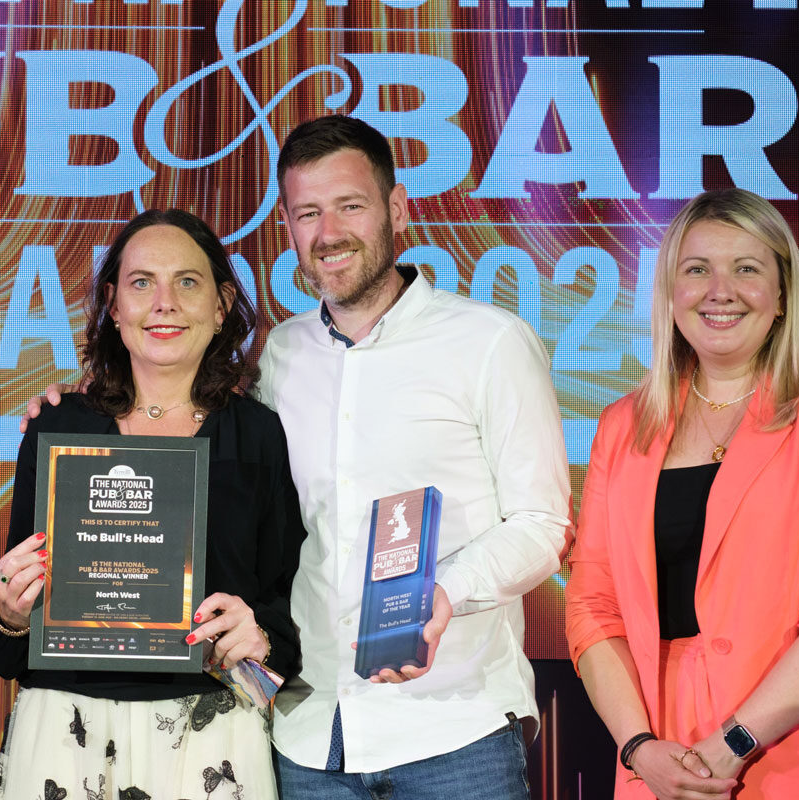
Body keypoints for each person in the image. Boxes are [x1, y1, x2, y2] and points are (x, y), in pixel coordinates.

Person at [565, 188, 799, 799]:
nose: (720, 290)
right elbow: (593, 605)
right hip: (664, 761)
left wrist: (733, 740)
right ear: (670, 292)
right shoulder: (624, 425)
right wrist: (638, 749)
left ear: (783, 295)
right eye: (696, 269)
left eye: (747, 269)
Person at [259, 114, 571, 799]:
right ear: (288, 225)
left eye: (350, 206)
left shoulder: (490, 342)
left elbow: (542, 525)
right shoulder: (280, 354)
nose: (328, 233)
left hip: (455, 731)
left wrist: (443, 591)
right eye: (308, 213)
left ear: (397, 209)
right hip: (311, 737)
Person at [0, 209, 305, 799]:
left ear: (221, 305)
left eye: (187, 282)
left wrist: (260, 639)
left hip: (211, 736)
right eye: (141, 282)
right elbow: (7, 647)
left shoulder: (258, 435)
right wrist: (11, 613)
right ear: (113, 304)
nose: (164, 303)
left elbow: (284, 613)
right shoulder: (59, 426)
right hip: (64, 733)